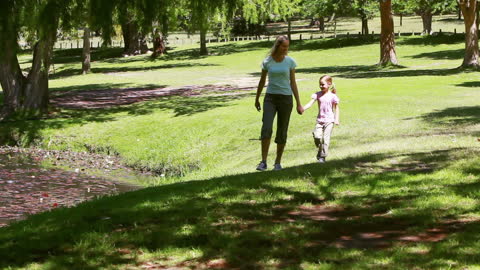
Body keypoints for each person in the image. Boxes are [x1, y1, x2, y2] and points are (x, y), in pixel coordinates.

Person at [254, 35, 303, 171]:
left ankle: (277, 162)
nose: (286, 49)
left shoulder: (290, 62)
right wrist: (257, 98)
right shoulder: (267, 62)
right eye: (284, 46)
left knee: (282, 130)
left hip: (286, 99)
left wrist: (299, 103)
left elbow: (293, 83)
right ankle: (263, 162)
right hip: (270, 98)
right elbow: (262, 81)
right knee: (266, 128)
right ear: (277, 46)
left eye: (287, 47)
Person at [302, 75, 340, 163]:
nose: (321, 86)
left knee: (325, 140)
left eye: (323, 84)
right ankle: (320, 152)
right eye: (320, 84)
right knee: (317, 137)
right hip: (320, 120)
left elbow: (336, 108)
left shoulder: (333, 96)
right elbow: (310, 103)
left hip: (329, 121)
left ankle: (322, 157)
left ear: (329, 84)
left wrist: (336, 119)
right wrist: (303, 108)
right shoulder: (317, 94)